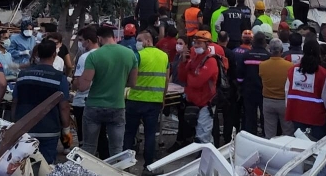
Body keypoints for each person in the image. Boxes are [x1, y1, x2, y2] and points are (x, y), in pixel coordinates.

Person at [76, 25, 139, 157]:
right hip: (117, 106)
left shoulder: (94, 56)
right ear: (114, 37)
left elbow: (83, 87)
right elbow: (133, 83)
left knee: (89, 146)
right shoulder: (130, 54)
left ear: (99, 39)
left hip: (94, 106)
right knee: (116, 149)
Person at [12, 40, 71, 164]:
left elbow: (15, 101)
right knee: (45, 165)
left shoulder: (23, 75)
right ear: (54, 55)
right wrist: (66, 128)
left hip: (24, 128)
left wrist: (14, 123)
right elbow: (64, 107)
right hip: (48, 130)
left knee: (23, 165)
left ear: (37, 55)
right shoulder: (59, 78)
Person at [124, 30, 169, 168]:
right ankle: (149, 166)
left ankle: (125, 165)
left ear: (148, 41)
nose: (137, 42)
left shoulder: (137, 55)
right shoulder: (164, 56)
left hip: (135, 100)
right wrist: (163, 98)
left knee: (129, 133)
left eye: (139, 39)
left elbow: (129, 77)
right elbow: (166, 79)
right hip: (154, 102)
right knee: (150, 135)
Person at [178, 31, 220, 144]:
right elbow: (182, 77)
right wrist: (183, 62)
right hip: (195, 102)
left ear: (207, 44)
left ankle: (206, 156)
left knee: (203, 135)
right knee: (198, 133)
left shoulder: (210, 61)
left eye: (199, 43)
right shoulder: (194, 58)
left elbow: (196, 82)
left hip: (206, 103)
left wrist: (189, 74)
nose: (196, 45)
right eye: (195, 42)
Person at [259, 38, 294, 138]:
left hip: (268, 101)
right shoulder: (290, 66)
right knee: (288, 133)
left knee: (269, 134)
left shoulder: (262, 65)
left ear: (269, 50)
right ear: (281, 50)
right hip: (284, 102)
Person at [238, 31, 270, 134]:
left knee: (250, 116)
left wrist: (241, 85)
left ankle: (251, 136)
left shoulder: (246, 55)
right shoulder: (268, 56)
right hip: (263, 91)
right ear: (264, 43)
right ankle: (265, 136)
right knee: (265, 116)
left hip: (249, 90)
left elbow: (240, 74)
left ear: (253, 42)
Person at [73, 27, 99, 147]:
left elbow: (80, 84)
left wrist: (72, 82)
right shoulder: (104, 55)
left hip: (83, 101)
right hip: (101, 101)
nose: (80, 43)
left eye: (81, 40)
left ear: (88, 41)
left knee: (84, 136)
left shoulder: (84, 57)